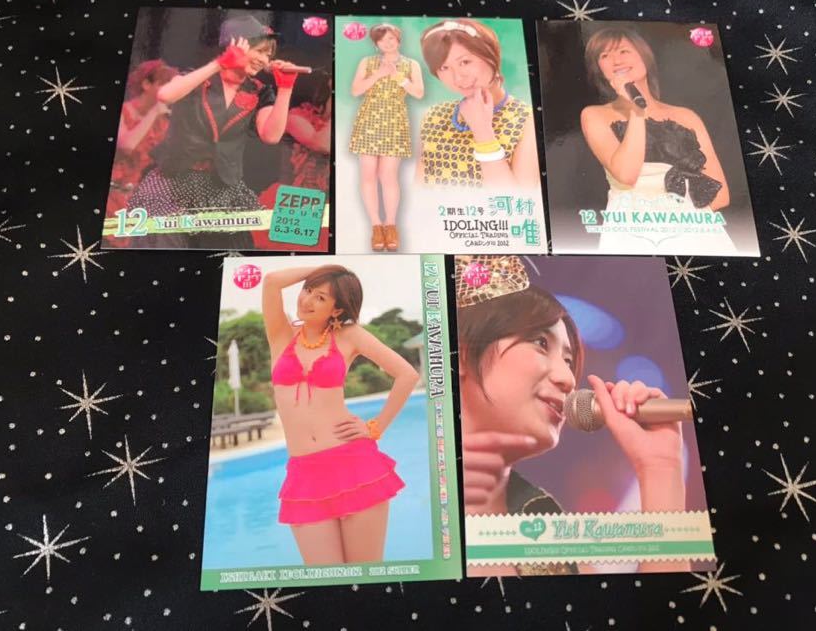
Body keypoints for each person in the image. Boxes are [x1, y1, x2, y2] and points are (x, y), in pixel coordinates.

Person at [454, 255, 686, 577]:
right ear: (462, 355)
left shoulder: (551, 538)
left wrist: (661, 469)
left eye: (568, 360)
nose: (568, 379)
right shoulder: (407, 496)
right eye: (540, 343)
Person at [262, 264, 420, 565]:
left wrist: (376, 427)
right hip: (304, 475)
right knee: (325, 580)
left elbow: (407, 375)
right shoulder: (281, 335)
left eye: (321, 297)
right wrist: (329, 271)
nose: (307, 300)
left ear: (336, 309)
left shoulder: (348, 336)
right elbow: (271, 281)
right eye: (308, 290)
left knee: (364, 575)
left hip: (354, 466)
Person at [127, 14, 304, 249]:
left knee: (227, 253)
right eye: (260, 51)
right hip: (172, 183)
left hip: (222, 188)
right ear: (235, 45)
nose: (264, 60)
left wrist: (285, 88)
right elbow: (165, 95)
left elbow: (271, 136)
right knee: (164, 246)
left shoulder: (260, 91)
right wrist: (219, 63)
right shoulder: (197, 79)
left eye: (268, 55)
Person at [579, 25, 735, 253]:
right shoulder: (595, 115)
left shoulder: (686, 116)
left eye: (623, 51)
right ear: (599, 69)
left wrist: (680, 209)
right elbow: (626, 174)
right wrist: (636, 110)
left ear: (644, 56)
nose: (616, 60)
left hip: (693, 230)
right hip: (633, 229)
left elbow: (721, 195)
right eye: (605, 55)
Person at [415, 19, 539, 189]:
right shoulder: (434, 116)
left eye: (465, 62)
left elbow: (518, 201)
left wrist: (482, 131)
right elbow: (419, 191)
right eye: (444, 68)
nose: (458, 77)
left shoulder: (527, 121)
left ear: (490, 55)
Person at [348, 24, 424, 252]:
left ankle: (391, 226)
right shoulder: (367, 62)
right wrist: (379, 74)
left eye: (391, 38)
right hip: (369, 119)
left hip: (395, 120)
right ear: (376, 43)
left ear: (398, 39)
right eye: (382, 40)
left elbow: (419, 93)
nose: (387, 43)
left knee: (388, 175)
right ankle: (376, 226)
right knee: (368, 174)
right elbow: (355, 90)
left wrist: (398, 77)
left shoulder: (411, 64)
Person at [251, 70, 332, 251]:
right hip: (300, 201)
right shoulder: (297, 116)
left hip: (330, 204)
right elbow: (322, 143)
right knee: (295, 251)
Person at [105, 59, 176, 247]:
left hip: (129, 201)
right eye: (164, 84)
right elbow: (126, 146)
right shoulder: (123, 111)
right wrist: (154, 112)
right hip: (107, 198)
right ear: (146, 84)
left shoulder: (163, 122)